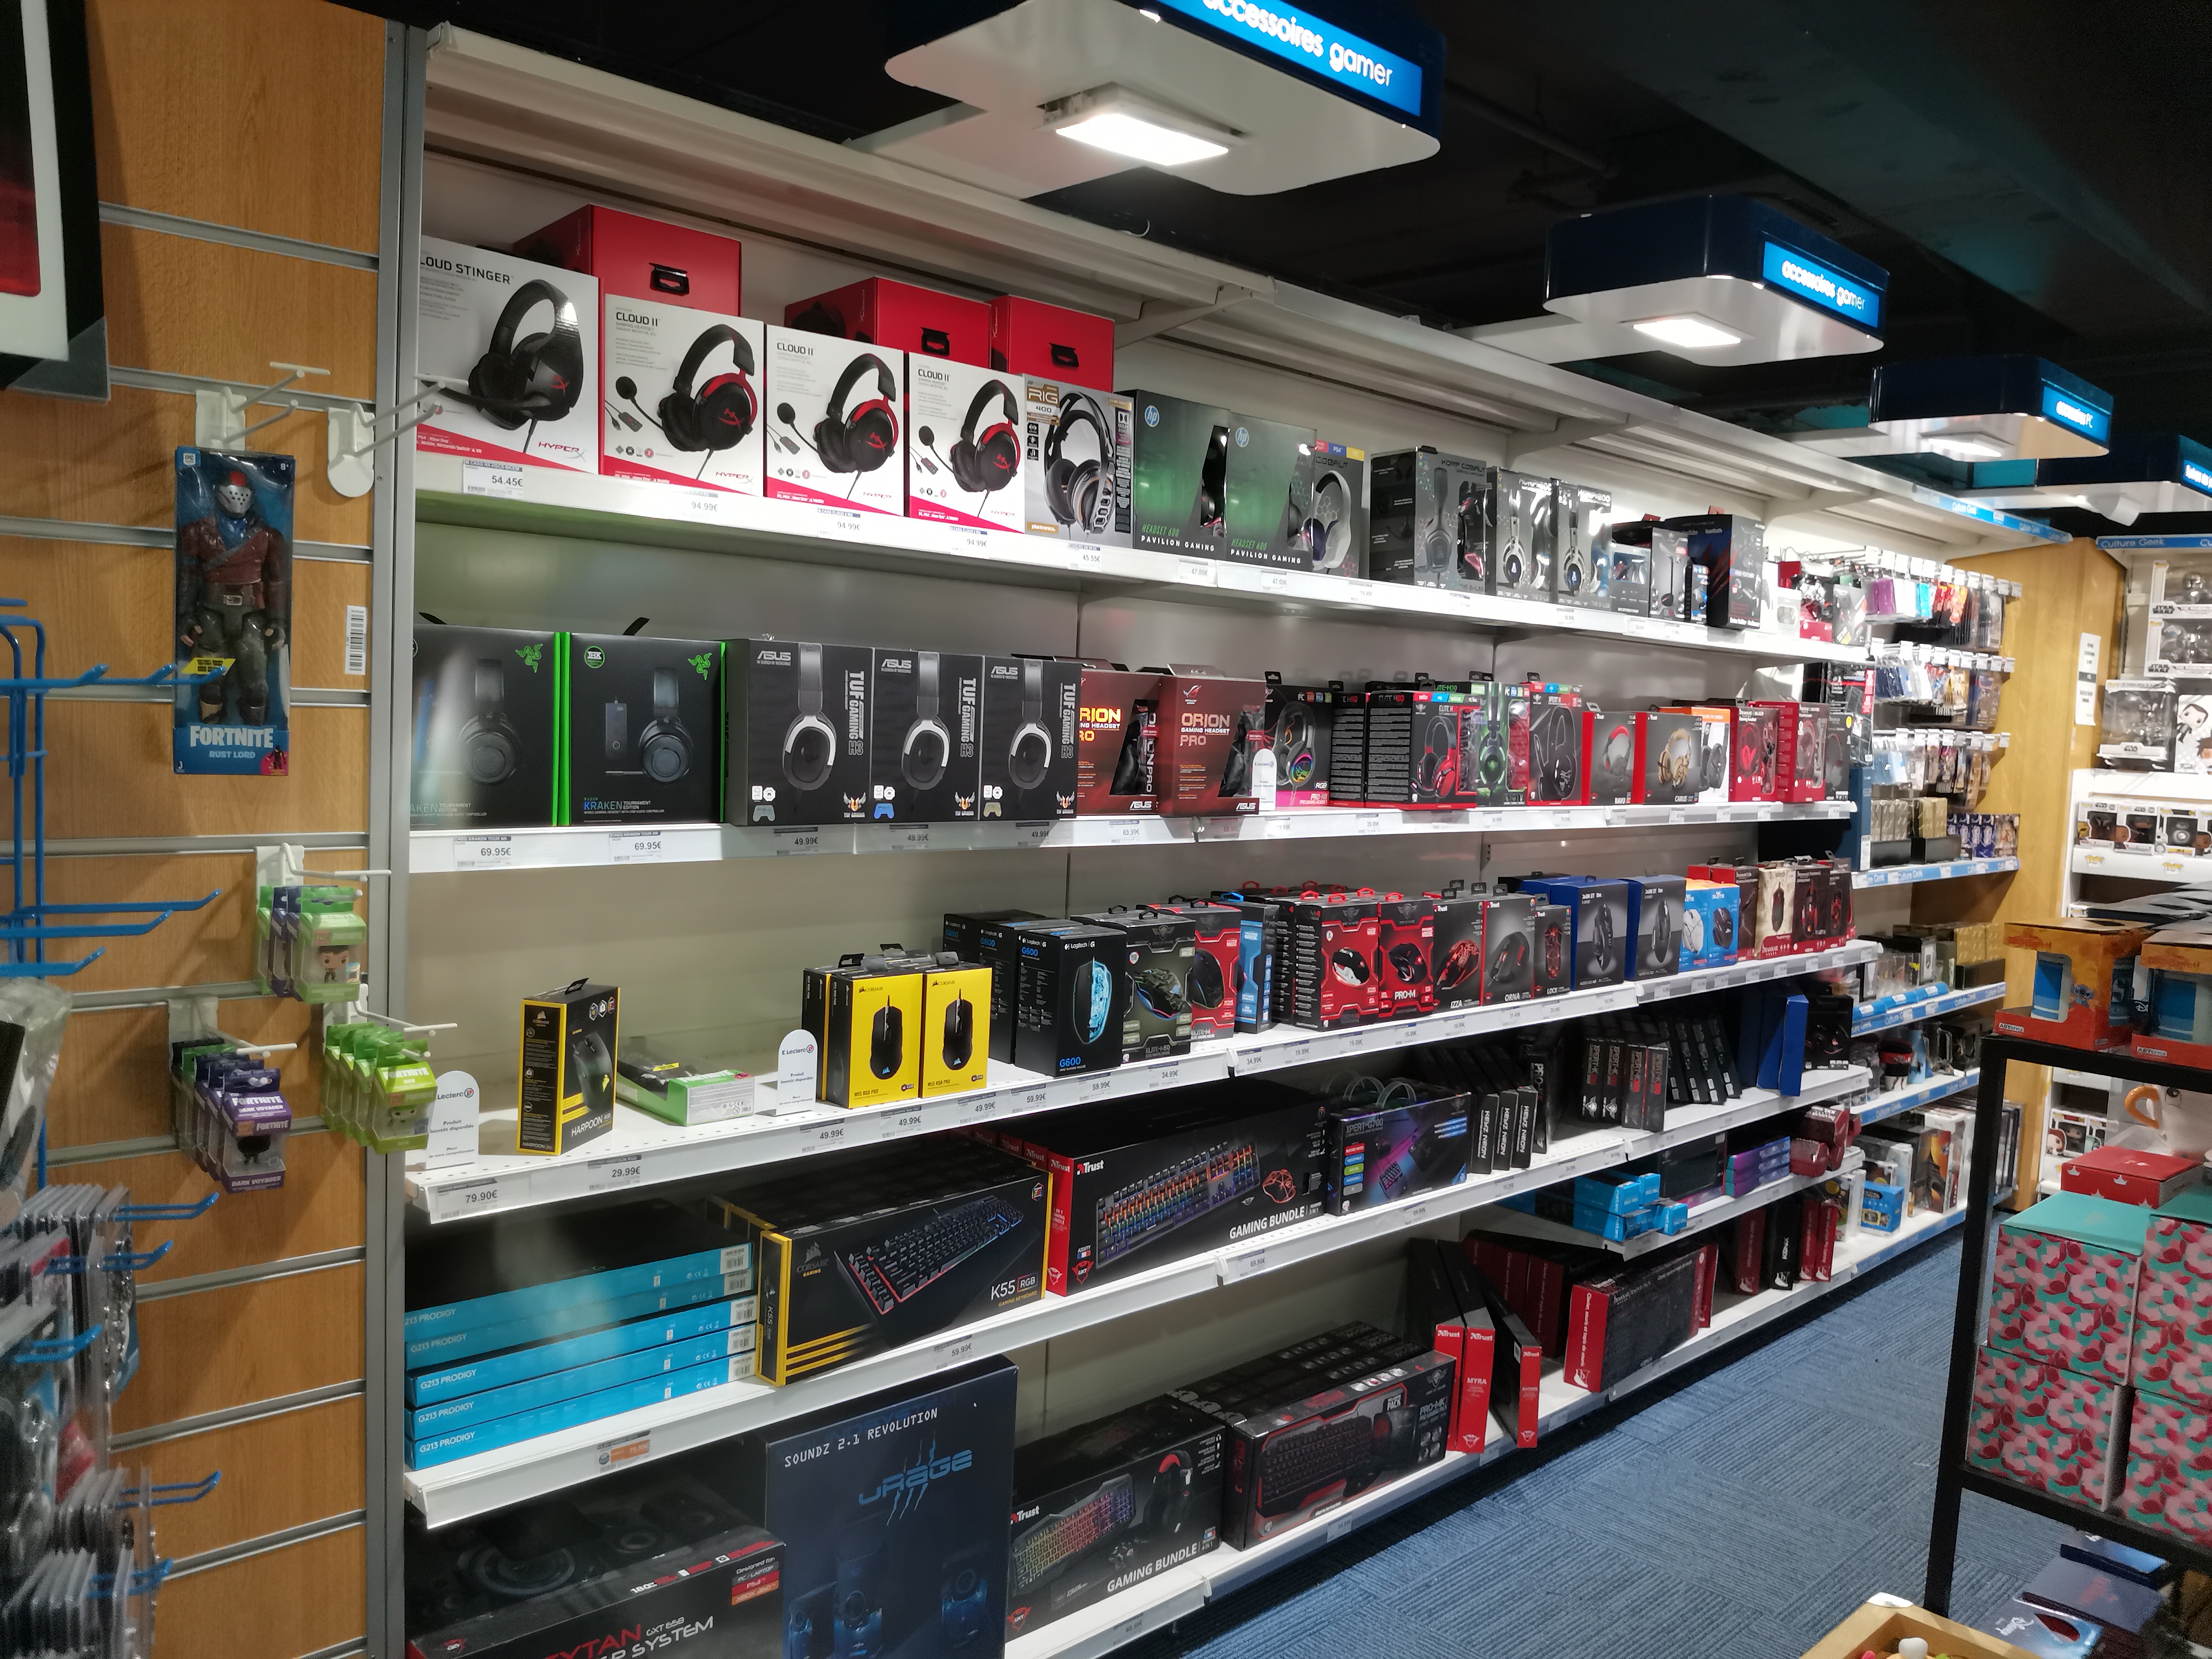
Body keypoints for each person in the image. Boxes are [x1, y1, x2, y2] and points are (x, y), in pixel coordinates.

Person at [178, 467, 289, 724]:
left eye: (243, 494)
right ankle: (209, 728)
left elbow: (277, 582)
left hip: (252, 616)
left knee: (256, 681)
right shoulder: (198, 532)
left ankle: (256, 731)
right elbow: (188, 577)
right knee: (211, 682)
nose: (237, 499)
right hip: (211, 614)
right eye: (232, 493)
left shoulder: (267, 536)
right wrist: (185, 616)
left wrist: (278, 620)